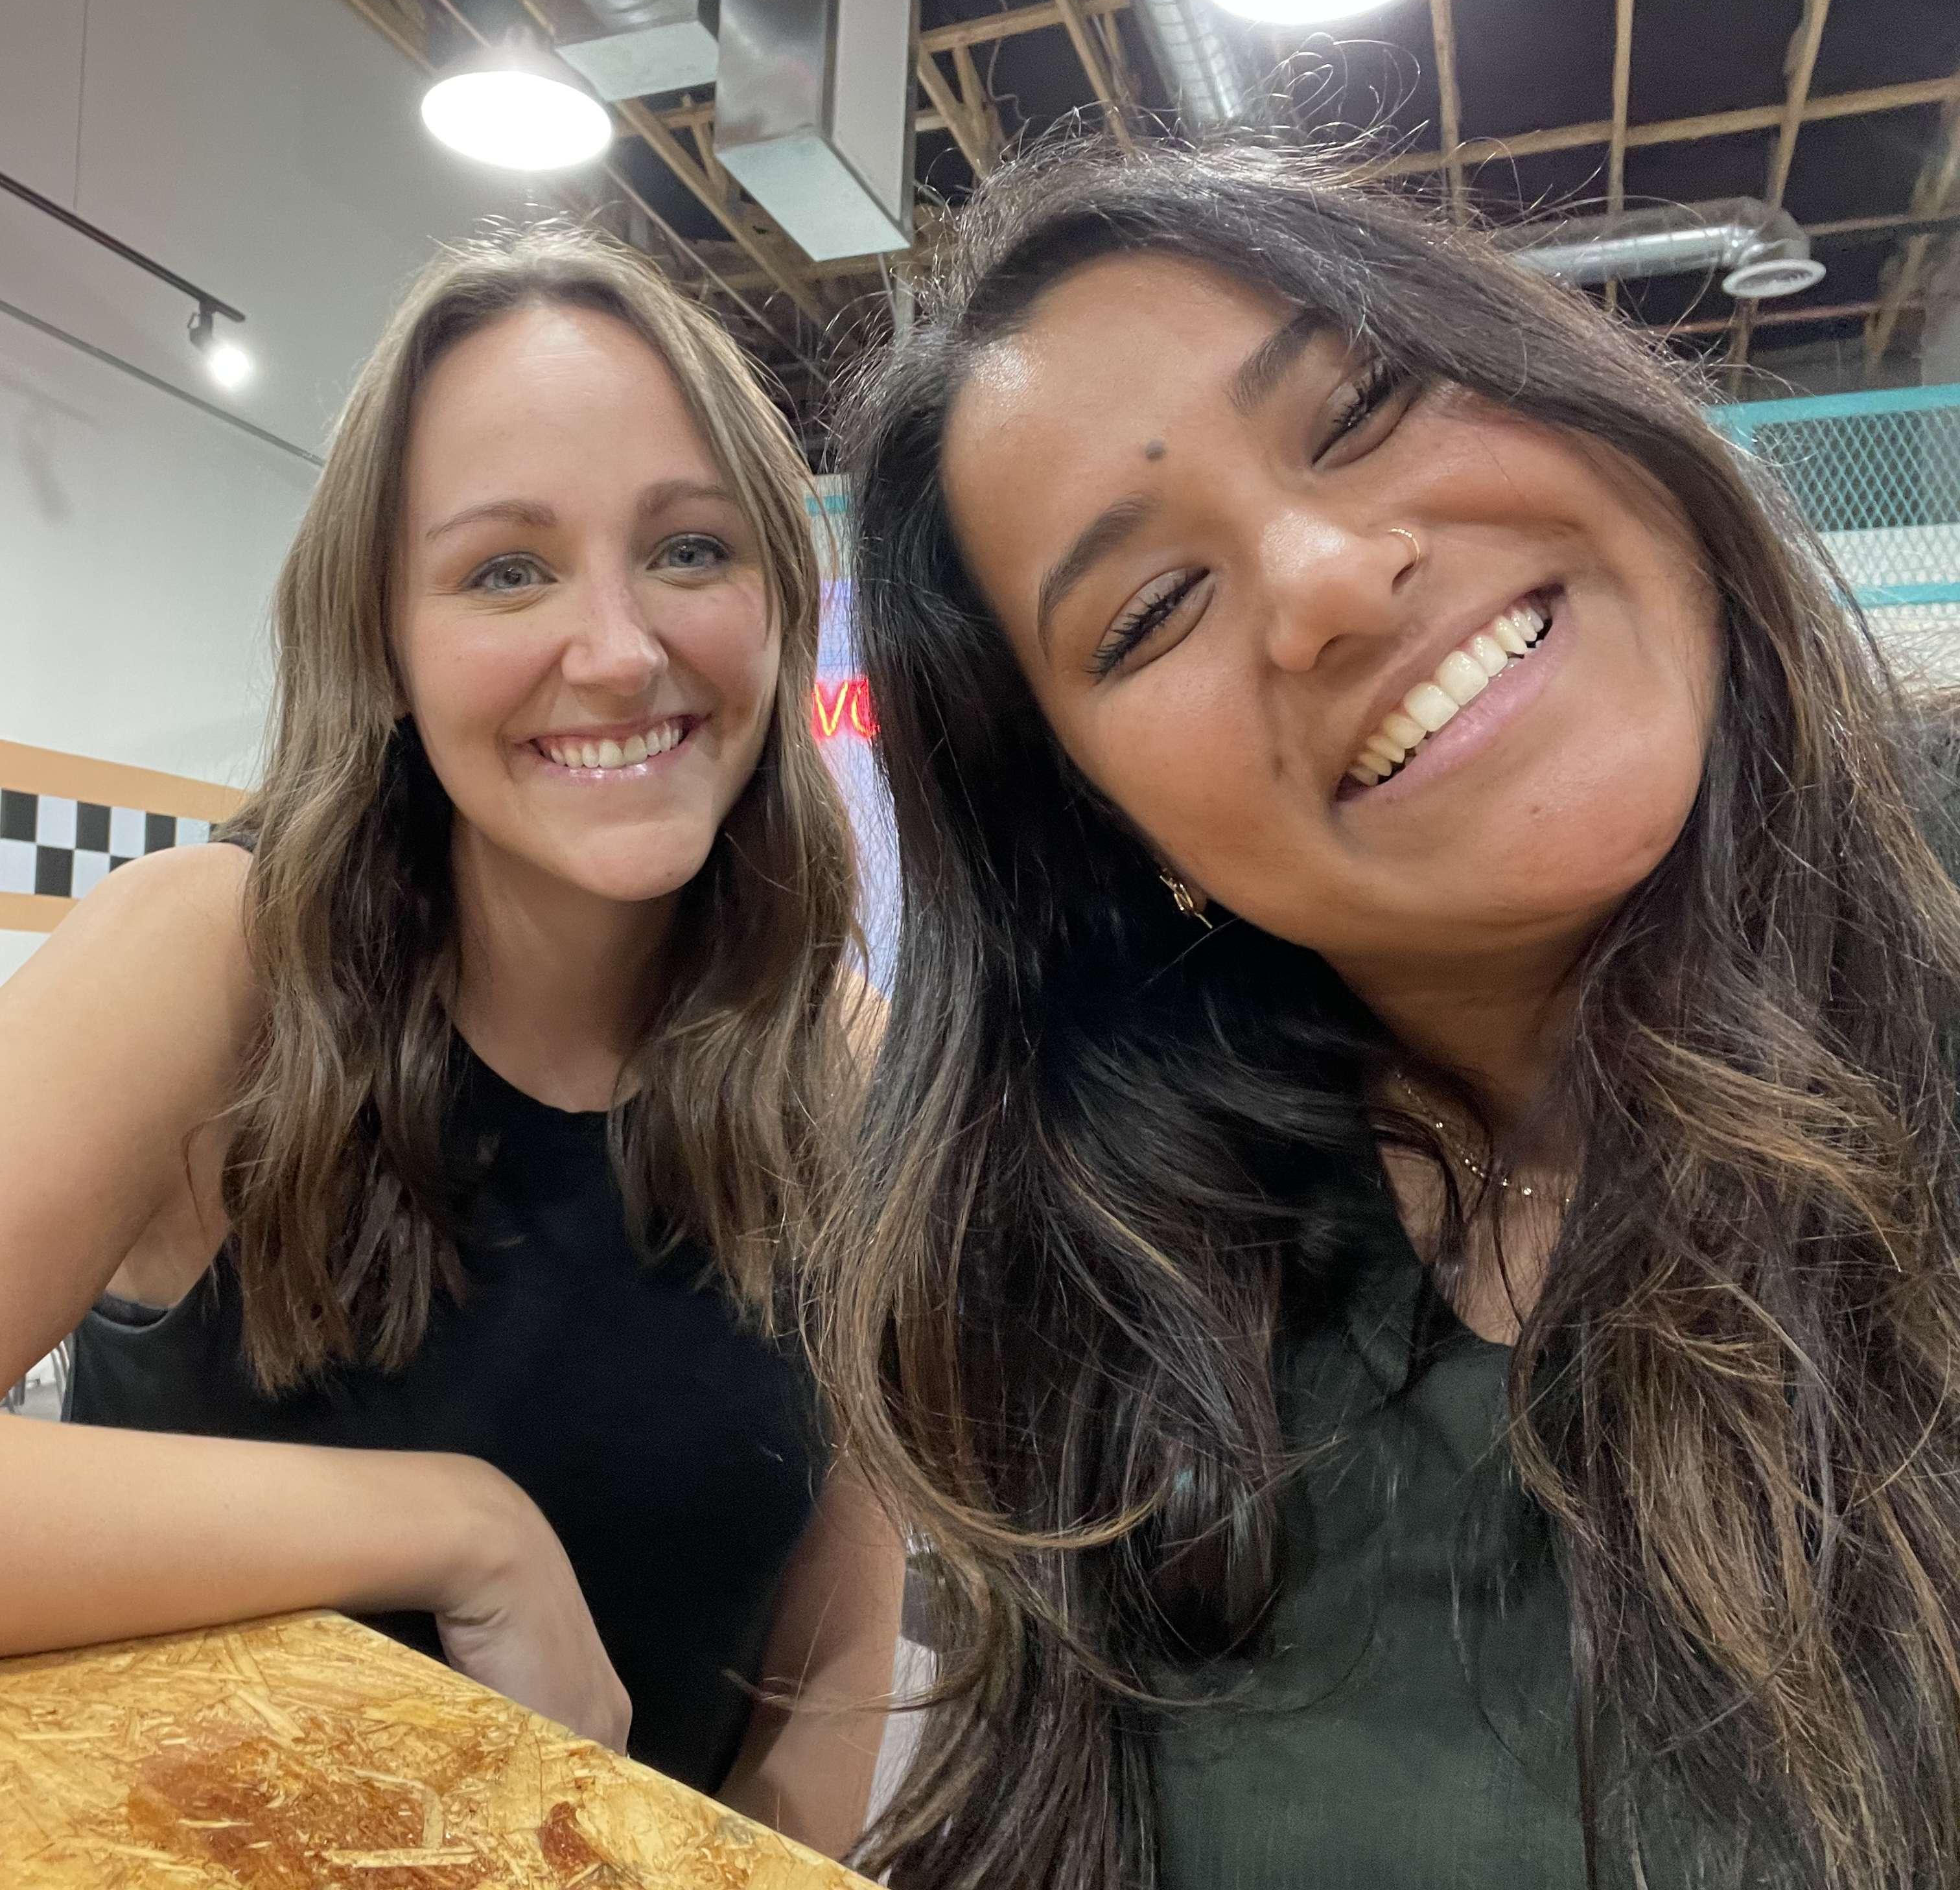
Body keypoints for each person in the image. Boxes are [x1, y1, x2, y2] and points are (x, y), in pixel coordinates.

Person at [811, 137, 1960, 1890]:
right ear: (1110, 833)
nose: (1333, 579)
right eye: (1154, 611)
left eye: (1362, 408)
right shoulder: (1126, 1301)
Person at [0, 225, 902, 1859]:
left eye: (690, 549)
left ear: (779, 599)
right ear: (388, 647)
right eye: (506, 570)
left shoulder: (836, 1058)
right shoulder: (214, 965)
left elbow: (833, 1660)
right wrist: (455, 1527)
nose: (618, 649)